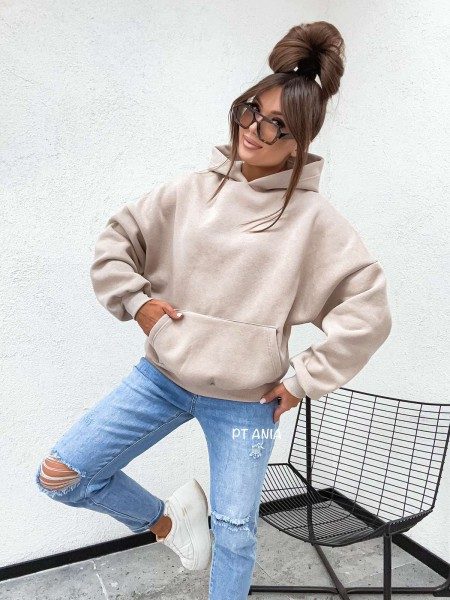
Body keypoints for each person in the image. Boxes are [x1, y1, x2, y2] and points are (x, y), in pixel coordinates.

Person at [35, 21, 392, 600]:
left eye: (276, 124)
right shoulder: (190, 191)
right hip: (162, 379)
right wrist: (138, 303)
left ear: (299, 143)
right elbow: (116, 241)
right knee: (62, 475)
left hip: (246, 402)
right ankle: (169, 524)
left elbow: (367, 310)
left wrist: (302, 380)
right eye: (252, 110)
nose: (254, 128)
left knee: (236, 535)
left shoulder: (315, 222)